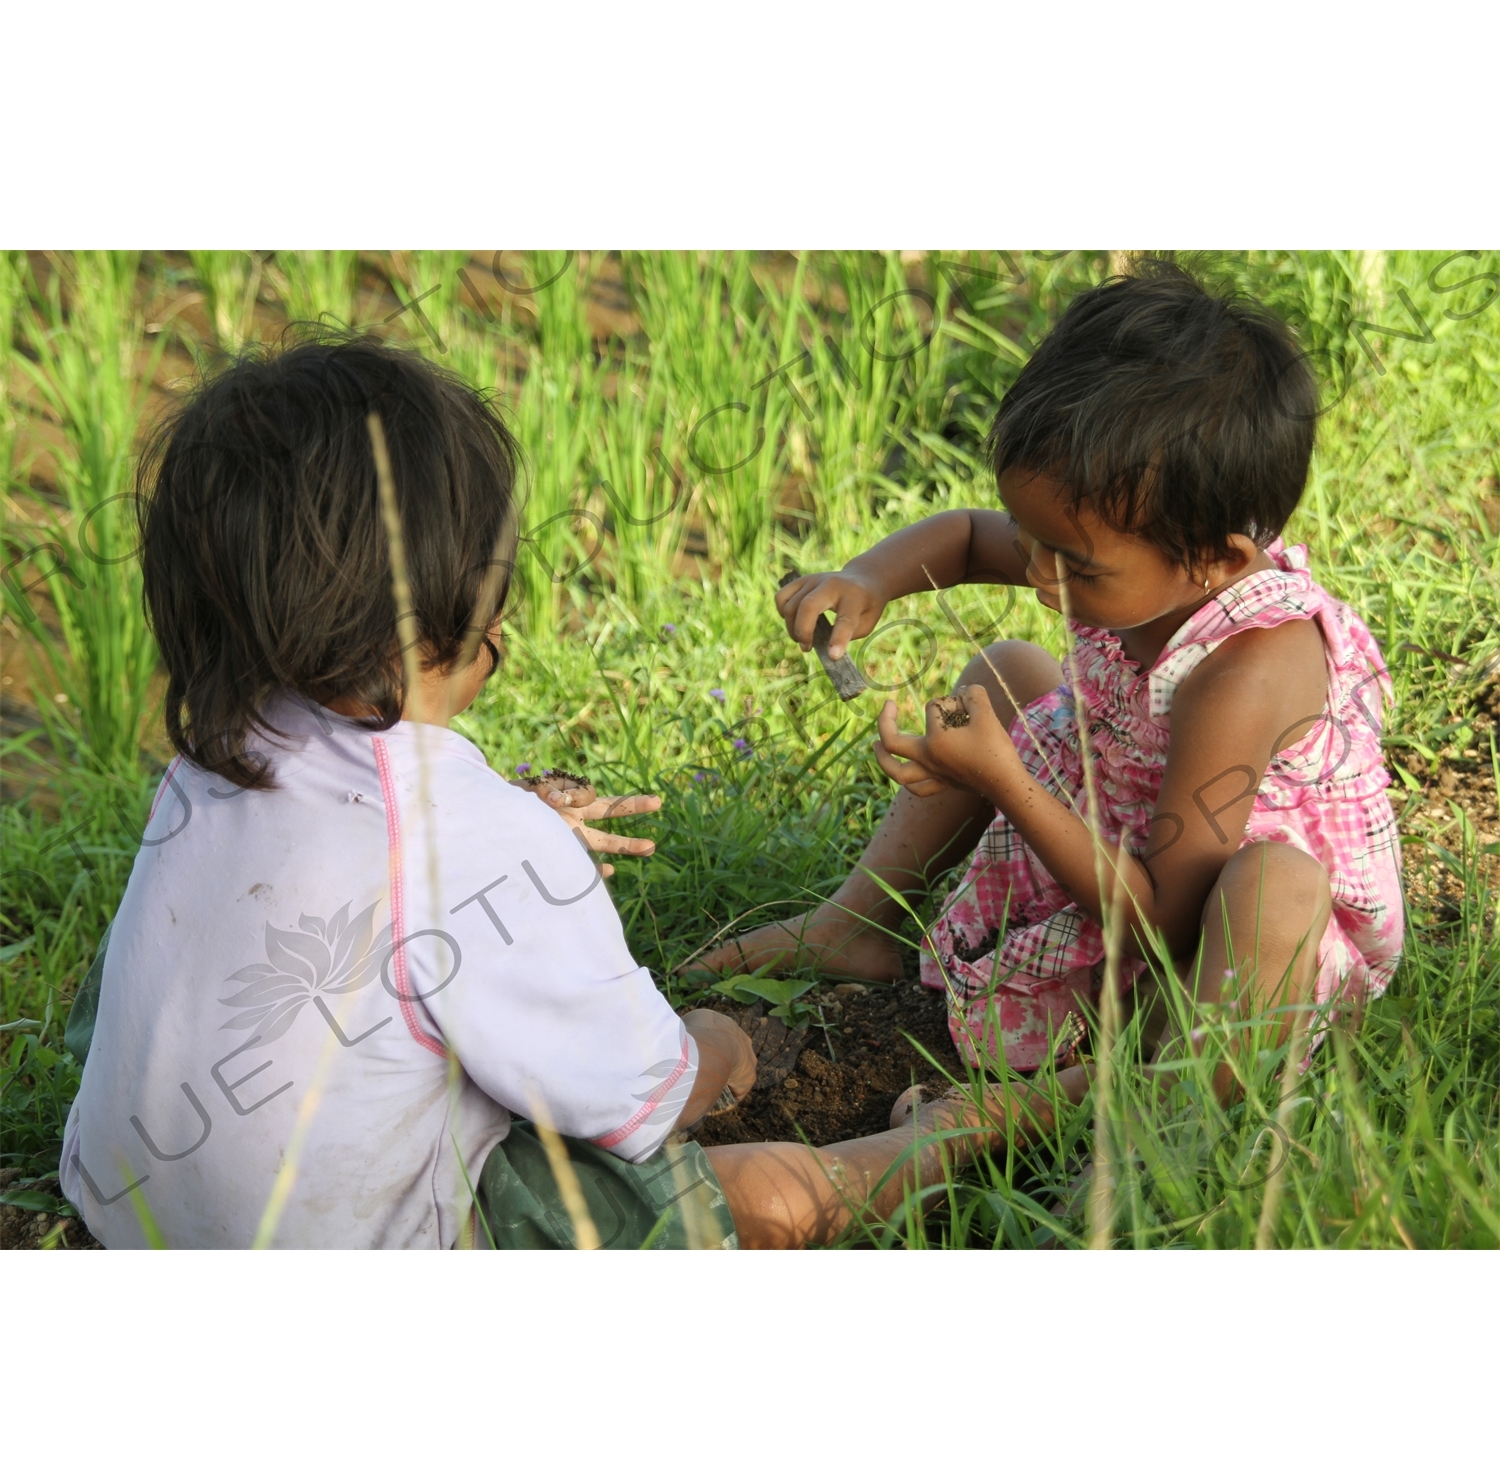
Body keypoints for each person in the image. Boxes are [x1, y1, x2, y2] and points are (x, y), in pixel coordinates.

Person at [59, 332, 987, 1251]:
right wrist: (719, 1053)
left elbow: (364, 871)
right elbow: (641, 1100)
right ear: (456, 605)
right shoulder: (471, 840)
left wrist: (510, 832)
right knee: (760, 1197)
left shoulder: (207, 765)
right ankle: (950, 1135)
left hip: (130, 1214)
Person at [697, 263, 1404, 1116]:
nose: (1035, 574)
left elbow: (1163, 923)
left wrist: (1004, 779)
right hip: (1136, 832)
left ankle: (1163, 1107)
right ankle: (857, 923)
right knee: (1007, 666)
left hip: (1218, 939)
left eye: (1070, 562)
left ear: (1217, 560)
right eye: (1033, 538)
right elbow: (963, 538)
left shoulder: (1241, 674)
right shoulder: (1138, 550)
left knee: (1271, 890)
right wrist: (866, 580)